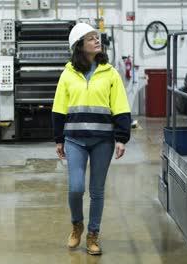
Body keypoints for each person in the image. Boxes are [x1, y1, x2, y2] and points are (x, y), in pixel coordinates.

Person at [52, 23, 131, 255]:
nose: (97, 41)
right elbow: (59, 108)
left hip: (102, 141)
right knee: (76, 188)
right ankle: (77, 225)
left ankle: (93, 235)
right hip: (74, 140)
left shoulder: (110, 73)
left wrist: (121, 138)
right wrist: (58, 139)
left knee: (97, 190)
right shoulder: (67, 75)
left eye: (97, 38)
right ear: (79, 46)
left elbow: (120, 106)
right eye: (90, 39)